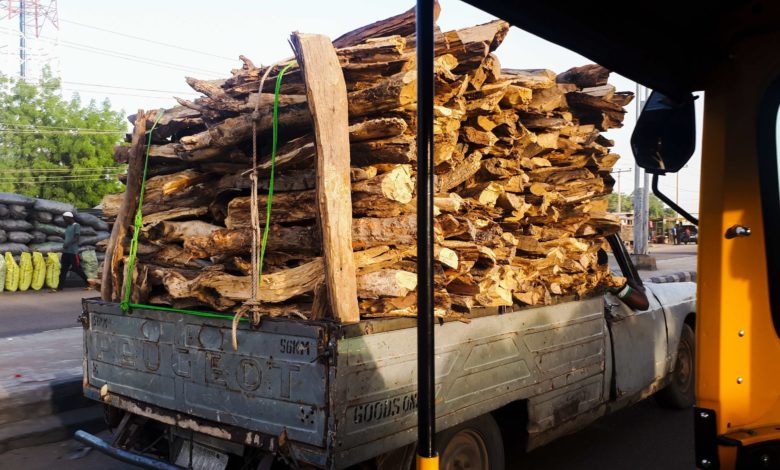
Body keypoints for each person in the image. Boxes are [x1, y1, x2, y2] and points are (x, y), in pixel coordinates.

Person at [56, 211, 89, 291]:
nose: (64, 220)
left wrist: (68, 244)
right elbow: (68, 236)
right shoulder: (68, 226)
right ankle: (59, 288)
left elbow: (76, 238)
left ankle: (89, 283)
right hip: (66, 251)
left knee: (76, 268)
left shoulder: (76, 225)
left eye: (65, 219)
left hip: (73, 252)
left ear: (70, 218)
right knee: (63, 269)